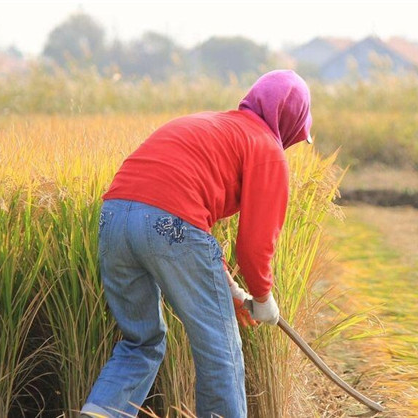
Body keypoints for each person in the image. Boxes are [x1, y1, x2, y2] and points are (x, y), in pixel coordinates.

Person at [80, 70, 313, 418]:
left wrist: (232, 289)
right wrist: (263, 297)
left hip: (113, 218)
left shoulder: (212, 125)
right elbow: (253, 245)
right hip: (170, 224)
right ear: (291, 119)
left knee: (142, 342)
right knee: (221, 351)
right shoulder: (266, 147)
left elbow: (188, 216)